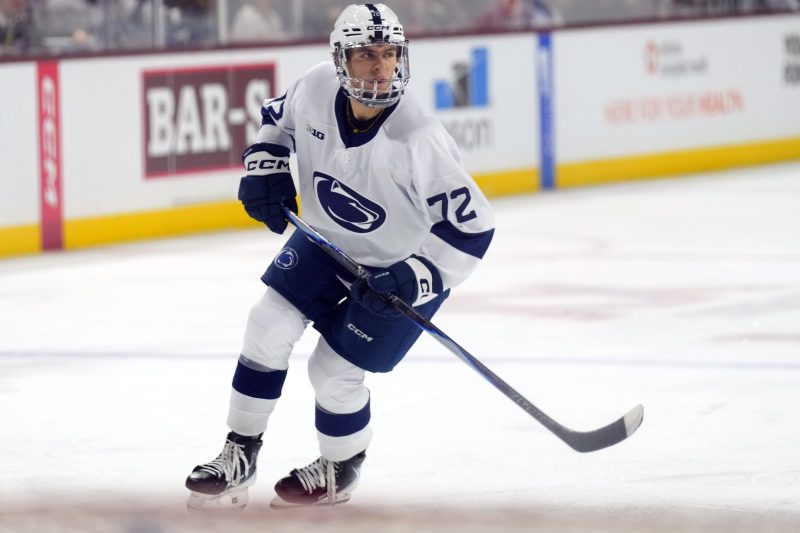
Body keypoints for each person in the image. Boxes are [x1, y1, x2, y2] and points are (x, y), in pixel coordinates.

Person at [185, 3, 495, 509]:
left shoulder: (419, 138)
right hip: (325, 243)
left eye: (389, 54)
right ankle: (239, 454)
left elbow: (473, 228)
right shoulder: (314, 87)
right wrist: (266, 165)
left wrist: (413, 276)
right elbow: (277, 119)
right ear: (340, 60)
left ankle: (339, 469)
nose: (381, 67)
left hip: (396, 270)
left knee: (333, 373)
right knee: (266, 325)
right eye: (366, 55)